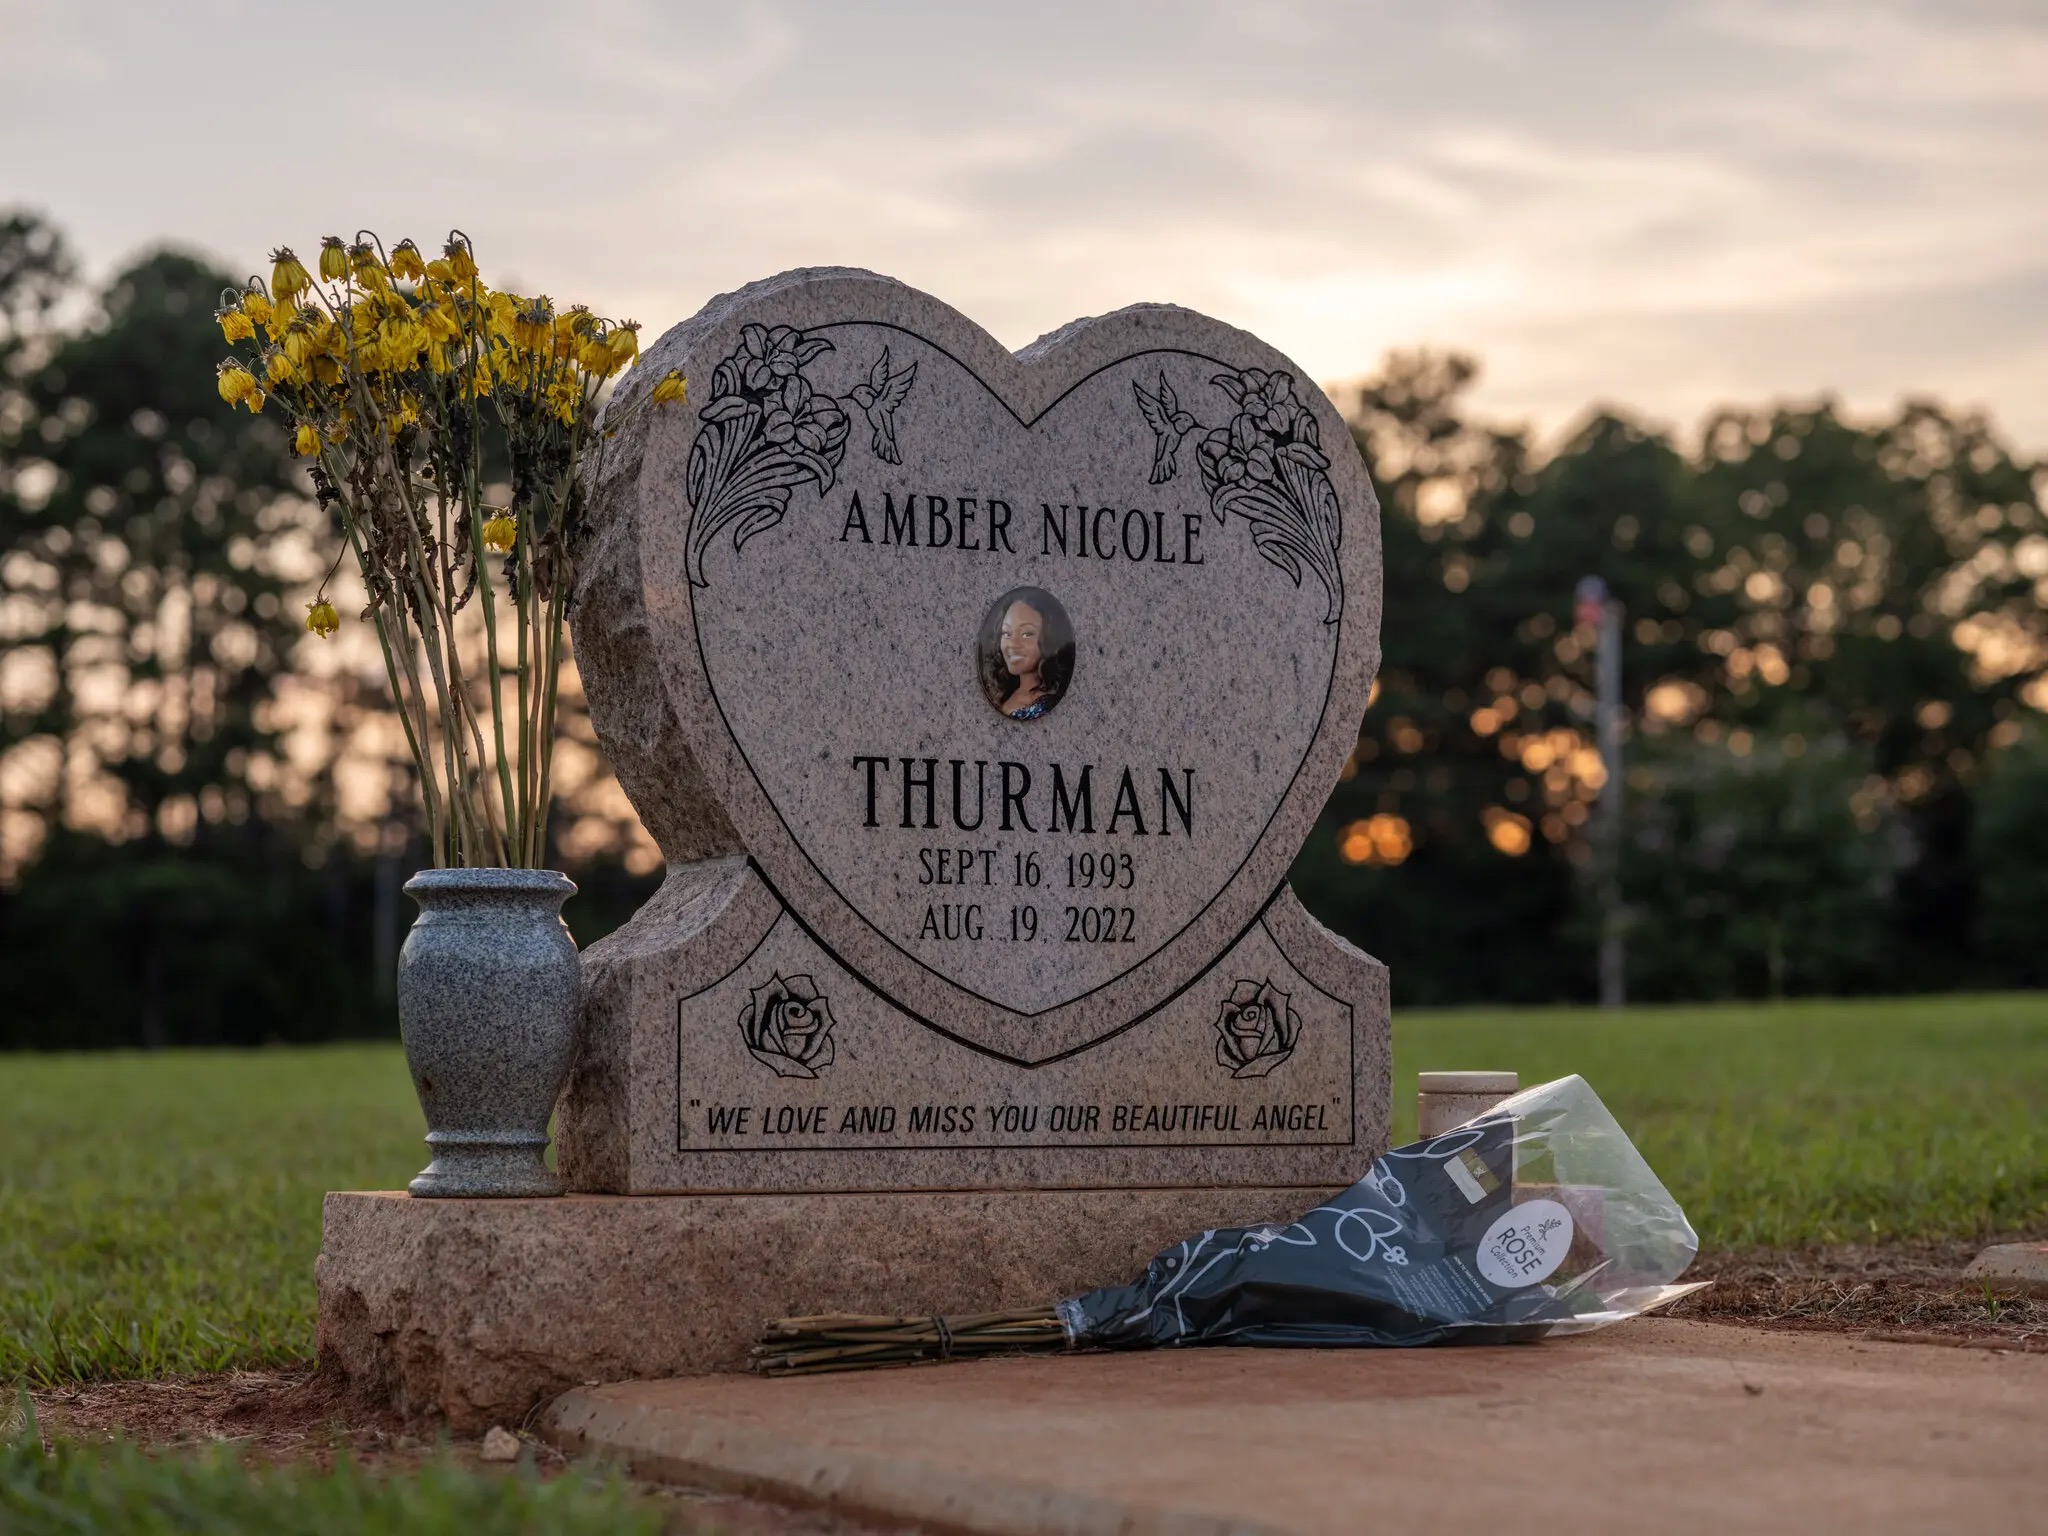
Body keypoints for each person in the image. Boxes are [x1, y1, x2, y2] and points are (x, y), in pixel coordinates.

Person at [980, 587, 1074, 720]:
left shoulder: (1047, 702)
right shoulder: (1004, 693)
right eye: (1007, 633)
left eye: (1027, 634)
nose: (1013, 644)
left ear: (1048, 638)